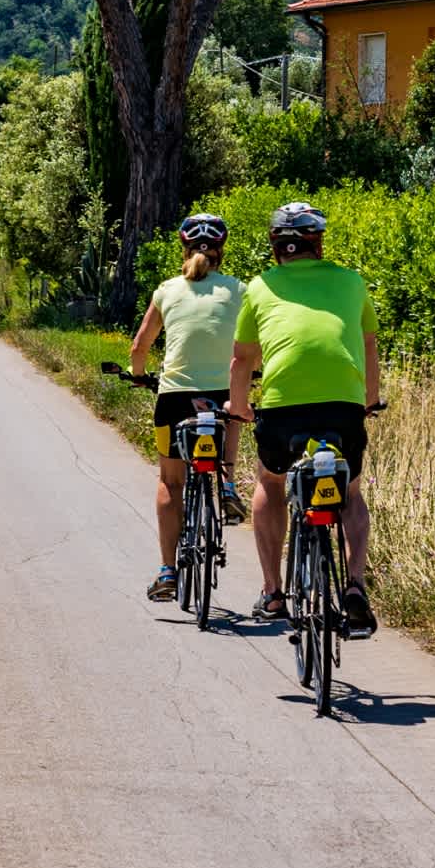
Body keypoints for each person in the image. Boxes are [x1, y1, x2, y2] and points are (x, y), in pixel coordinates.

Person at [225, 202, 381, 637]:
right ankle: (353, 586)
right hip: (343, 407)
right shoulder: (352, 282)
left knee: (270, 483)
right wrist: (369, 401)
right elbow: (368, 347)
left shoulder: (258, 287)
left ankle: (273, 591)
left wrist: (239, 407)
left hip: (281, 408)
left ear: (276, 246)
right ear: (319, 243)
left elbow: (242, 359)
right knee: (348, 492)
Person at [125, 213, 243, 602]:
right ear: (221, 251)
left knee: (170, 483)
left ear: (184, 248)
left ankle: (167, 571)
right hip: (221, 393)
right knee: (235, 404)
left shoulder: (167, 290)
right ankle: (226, 481)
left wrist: (138, 374)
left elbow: (139, 346)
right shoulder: (239, 290)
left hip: (175, 398)